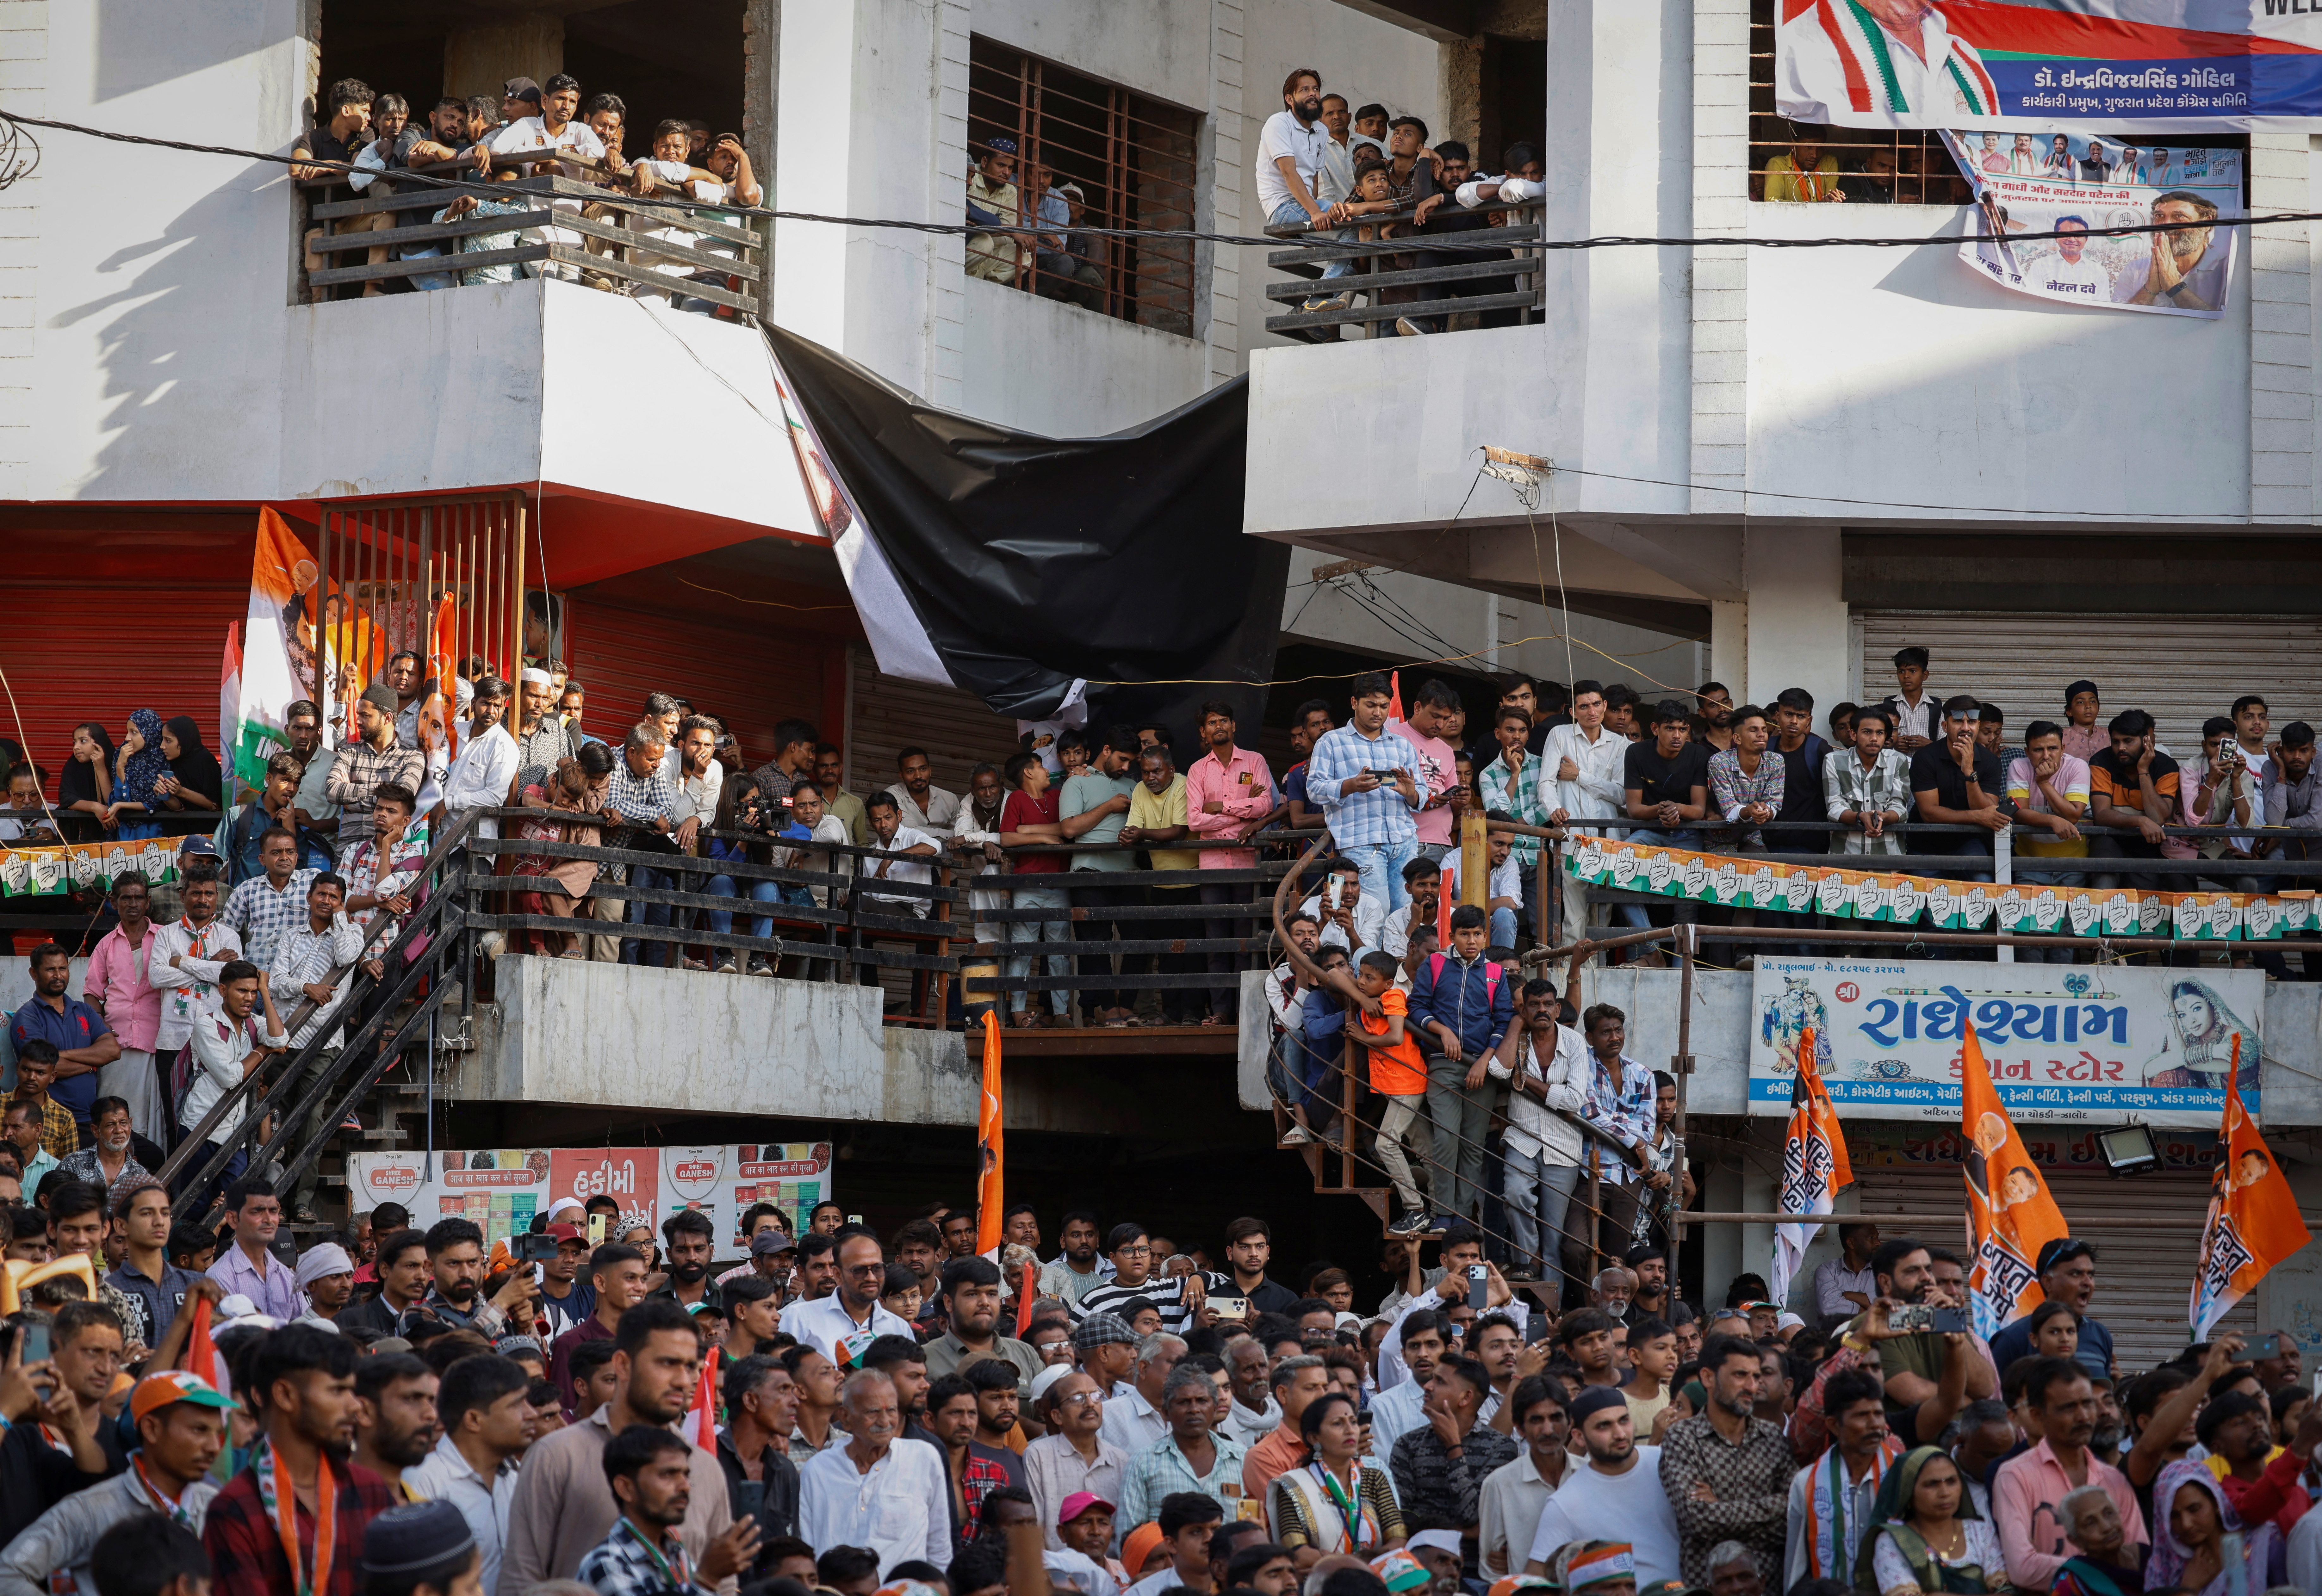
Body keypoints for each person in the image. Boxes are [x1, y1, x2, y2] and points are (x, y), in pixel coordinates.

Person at [501, 1298, 738, 1592]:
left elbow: (724, 1585)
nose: (683, 1380)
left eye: (691, 1367)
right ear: (623, 1365)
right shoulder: (557, 1456)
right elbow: (520, 1580)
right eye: (667, 1363)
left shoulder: (705, 1468)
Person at [201, 1324, 402, 1596]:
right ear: (285, 1395)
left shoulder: (369, 1490)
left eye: (352, 1391)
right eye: (337, 1391)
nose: (355, 1405)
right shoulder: (235, 1510)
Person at [0, 1368, 233, 1596]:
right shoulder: (89, 1510)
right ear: (151, 1429)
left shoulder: (222, 1508)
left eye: (218, 1434)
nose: (214, 1447)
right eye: (199, 1430)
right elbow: (7, 1573)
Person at [1990, 1356, 2145, 1590]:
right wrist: (2098, 1571)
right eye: (2068, 1408)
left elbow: (2139, 1556)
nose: (2083, 1416)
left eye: (2087, 1403)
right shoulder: (2015, 1476)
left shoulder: (2112, 1477)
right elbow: (2022, 1568)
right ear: (2037, 1416)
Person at [798, 1369, 951, 1575]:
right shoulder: (818, 1469)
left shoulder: (924, 1458)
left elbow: (940, 1547)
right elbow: (808, 1546)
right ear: (845, 1417)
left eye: (892, 1411)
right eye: (873, 1412)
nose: (885, 1422)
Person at [579, 1424, 760, 1596]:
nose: (685, 1486)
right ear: (626, 1488)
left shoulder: (675, 1552)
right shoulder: (608, 1564)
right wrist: (707, 1579)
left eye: (686, 1475)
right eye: (668, 1475)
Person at [1525, 1387, 1681, 1587]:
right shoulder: (1566, 1503)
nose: (1619, 1434)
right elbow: (1535, 1581)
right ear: (1579, 1437)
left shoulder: (1666, 1463)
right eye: (1604, 1426)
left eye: (1624, 1421)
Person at [404, 1354, 531, 1594]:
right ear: (474, 1419)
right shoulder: (423, 1482)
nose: (531, 1414)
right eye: (517, 1405)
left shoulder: (516, 1478)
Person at [1306, 674, 1425, 912]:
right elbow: (1314, 790)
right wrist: (1351, 786)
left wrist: (1411, 793)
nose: (1378, 712)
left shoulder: (1402, 745)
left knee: (1405, 915)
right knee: (1375, 914)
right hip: (1362, 843)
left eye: (1383, 706)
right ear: (1354, 703)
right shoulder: (1331, 742)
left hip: (1404, 841)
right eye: (1371, 705)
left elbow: (1420, 794)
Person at [1783, 1368, 1903, 1588]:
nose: (1875, 1424)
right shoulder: (1806, 1483)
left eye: (1878, 1414)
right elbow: (1797, 1567)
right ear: (1834, 1425)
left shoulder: (1902, 1473)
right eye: (1861, 1416)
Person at [1266, 1391, 1405, 1564]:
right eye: (1338, 1424)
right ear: (1314, 1438)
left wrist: (1364, 1566)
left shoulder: (1374, 1479)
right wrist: (1356, 1564)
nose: (1350, 1430)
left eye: (1353, 1422)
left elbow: (1399, 1539)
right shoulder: (1294, 1486)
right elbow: (1298, 1553)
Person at [1852, 1445, 2006, 1596]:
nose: (1945, 1493)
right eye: (1932, 1484)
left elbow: (2006, 1591)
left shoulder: (1980, 1532)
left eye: (1951, 1481)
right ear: (1908, 1492)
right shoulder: (1893, 1541)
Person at [81, 874, 166, 1139]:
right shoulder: (106, 944)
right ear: (114, 903)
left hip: (157, 1039)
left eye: (139, 897)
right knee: (115, 1114)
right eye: (126, 898)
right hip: (116, 1044)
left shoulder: (165, 938)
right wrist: (100, 1024)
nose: (133, 904)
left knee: (153, 1121)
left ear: (148, 902)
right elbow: (91, 993)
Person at [1119, 1364, 1252, 1533]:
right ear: (1166, 1412)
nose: (1194, 1410)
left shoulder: (1242, 1459)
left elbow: (1253, 1528)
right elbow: (1131, 1539)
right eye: (1184, 1402)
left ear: (1214, 1408)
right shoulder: (1143, 1464)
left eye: (1202, 1401)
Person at [1477, 1377, 1568, 1578]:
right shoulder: (1499, 1484)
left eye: (1556, 1418)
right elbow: (1492, 1572)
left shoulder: (1589, 1473)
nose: (1548, 1430)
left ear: (1570, 1422)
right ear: (1519, 1428)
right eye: (1536, 1420)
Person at [1026, 1371, 1128, 1550]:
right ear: (1057, 1416)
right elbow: (1034, 1528)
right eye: (1078, 1398)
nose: (1090, 1404)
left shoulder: (1120, 1460)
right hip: (1056, 1571)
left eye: (1096, 1396)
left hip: (1110, 1572)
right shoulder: (1038, 1455)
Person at [1986, 1240, 2113, 1380]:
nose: (2088, 1283)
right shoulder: (2013, 1339)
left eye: (2091, 1275)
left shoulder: (2101, 1336)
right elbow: (1993, 1397)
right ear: (2047, 1282)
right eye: (2076, 1274)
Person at [2113, 191, 2229, 311]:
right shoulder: (2136, 269)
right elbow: (2115, 321)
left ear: (2206, 223)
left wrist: (2174, 286)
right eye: (2159, 216)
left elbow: (2225, 326)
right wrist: (2150, 289)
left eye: (2179, 216)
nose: (2166, 224)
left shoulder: (2226, 269)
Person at [1812, 1223, 1879, 1327]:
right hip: (1833, 1341)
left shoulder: (1882, 1272)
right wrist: (1866, 1311)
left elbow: (1886, 1308)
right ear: (1851, 1243)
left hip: (1871, 1341)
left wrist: (1848, 1295)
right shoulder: (1827, 1270)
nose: (1878, 1243)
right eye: (1872, 1238)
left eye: (1877, 1237)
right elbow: (1827, 1308)